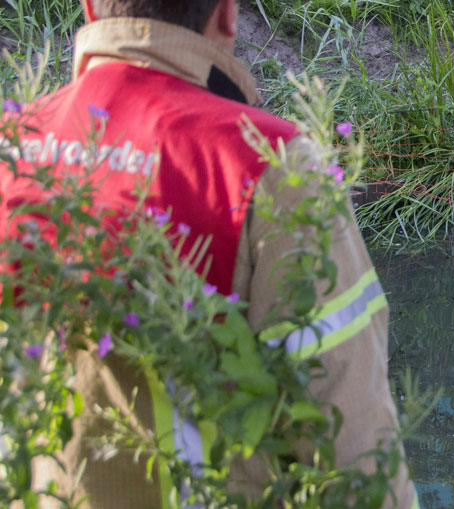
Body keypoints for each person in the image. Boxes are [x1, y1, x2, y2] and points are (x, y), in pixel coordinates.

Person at [0, 0, 417, 507]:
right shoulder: (271, 167)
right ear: (227, 13)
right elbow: (356, 463)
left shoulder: (12, 150)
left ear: (89, 7)